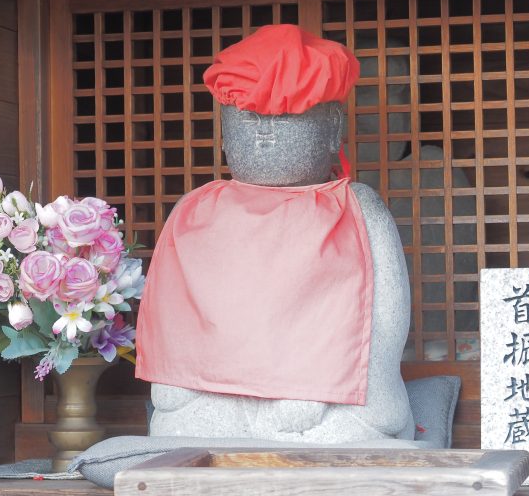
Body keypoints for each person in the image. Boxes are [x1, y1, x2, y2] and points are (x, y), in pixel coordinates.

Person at [136, 24, 414, 443]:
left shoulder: (357, 209)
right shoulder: (197, 211)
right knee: (182, 422)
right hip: (218, 393)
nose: (264, 133)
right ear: (224, 130)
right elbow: (173, 310)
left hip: (325, 397)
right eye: (249, 117)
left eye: (284, 116)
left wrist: (333, 388)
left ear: (333, 127)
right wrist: (179, 385)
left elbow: (387, 320)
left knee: (360, 426)